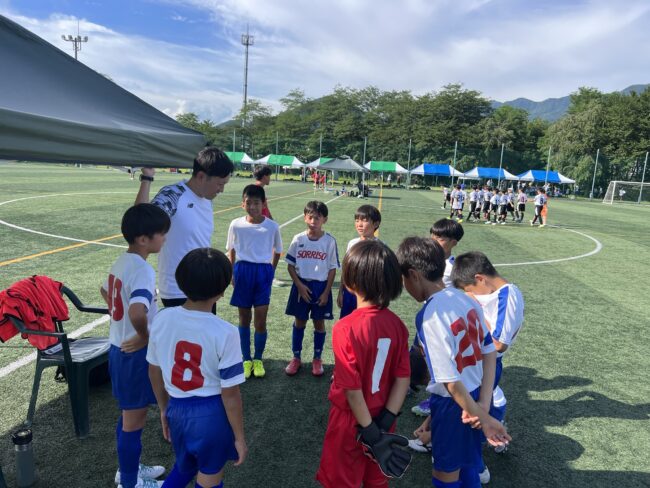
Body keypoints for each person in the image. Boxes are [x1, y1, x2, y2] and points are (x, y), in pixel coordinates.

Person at [396, 237, 511, 488]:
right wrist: (483, 404)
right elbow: (489, 352)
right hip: (475, 396)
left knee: (445, 475)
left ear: (413, 275)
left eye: (404, 279)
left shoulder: (429, 315)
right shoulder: (466, 298)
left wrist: (482, 416)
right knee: (467, 464)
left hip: (455, 404)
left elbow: (449, 380)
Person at [147, 248, 247, 488]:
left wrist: (164, 408)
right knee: (209, 477)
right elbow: (230, 394)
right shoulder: (226, 332)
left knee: (185, 466)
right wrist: (240, 437)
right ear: (222, 291)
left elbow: (153, 370)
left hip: (176, 408)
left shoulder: (162, 318)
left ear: (181, 282)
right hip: (210, 415)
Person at [316, 240, 412, 488]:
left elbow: (352, 390)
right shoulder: (398, 325)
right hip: (384, 418)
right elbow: (403, 378)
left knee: (341, 482)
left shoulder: (345, 327)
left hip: (352, 422)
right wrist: (384, 423)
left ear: (350, 282)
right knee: (376, 482)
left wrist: (370, 432)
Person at [100, 204, 171, 488]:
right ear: (143, 239)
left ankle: (127, 470)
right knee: (134, 420)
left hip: (117, 348)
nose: (165, 238)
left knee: (129, 415)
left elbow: (104, 290)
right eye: (161, 233)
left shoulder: (122, 261)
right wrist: (144, 336)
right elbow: (138, 312)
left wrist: (117, 315)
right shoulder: (142, 269)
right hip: (133, 354)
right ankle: (130, 483)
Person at [451, 251, 524, 482]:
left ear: (480, 278)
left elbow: (499, 343)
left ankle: (477, 465)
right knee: (469, 409)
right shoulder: (488, 292)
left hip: (486, 365)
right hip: (474, 363)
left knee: (473, 415)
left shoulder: (508, 295)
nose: (470, 294)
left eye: (470, 288)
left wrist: (474, 308)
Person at [135, 147, 234, 308]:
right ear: (201, 176)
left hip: (205, 289)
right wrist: (147, 178)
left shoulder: (207, 199)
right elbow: (140, 221)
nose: (221, 190)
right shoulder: (173, 195)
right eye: (220, 184)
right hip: (178, 291)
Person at [226, 185, 282, 379]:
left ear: (264, 204)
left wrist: (271, 271)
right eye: (248, 203)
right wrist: (231, 272)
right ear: (242, 204)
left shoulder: (272, 226)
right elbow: (231, 249)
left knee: (260, 319)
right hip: (242, 271)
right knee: (243, 318)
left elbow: (278, 251)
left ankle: (258, 358)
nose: (252, 207)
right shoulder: (236, 224)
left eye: (256, 203)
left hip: (263, 272)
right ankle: (246, 359)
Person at [410, 218, 464, 418]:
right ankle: (411, 384)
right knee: (417, 352)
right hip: (428, 315)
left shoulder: (454, 268)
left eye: (440, 238)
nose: (433, 240)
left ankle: (434, 400)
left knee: (437, 360)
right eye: (432, 236)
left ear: (453, 243)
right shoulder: (428, 261)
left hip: (442, 321)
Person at [284, 201, 340, 377]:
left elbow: (332, 269)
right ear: (305, 218)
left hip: (320, 287)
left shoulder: (329, 241)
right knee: (299, 321)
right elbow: (290, 265)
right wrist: (299, 286)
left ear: (325, 220)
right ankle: (296, 357)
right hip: (301, 286)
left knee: (319, 323)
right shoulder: (298, 239)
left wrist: (326, 292)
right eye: (310, 217)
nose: (313, 221)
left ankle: (317, 358)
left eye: (317, 218)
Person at [337, 205, 382, 319]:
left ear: (376, 224)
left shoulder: (380, 247)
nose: (359, 224)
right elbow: (346, 269)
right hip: (350, 293)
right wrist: (341, 292)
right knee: (347, 322)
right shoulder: (352, 243)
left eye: (364, 220)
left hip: (369, 295)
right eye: (357, 220)